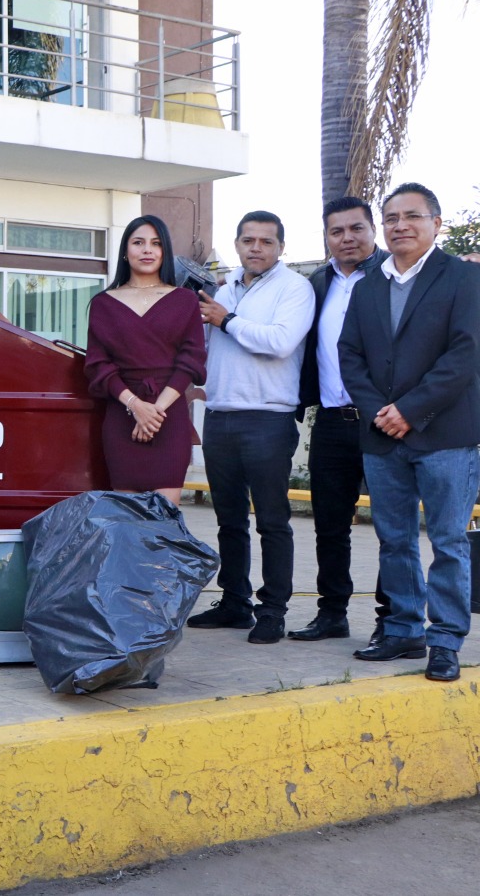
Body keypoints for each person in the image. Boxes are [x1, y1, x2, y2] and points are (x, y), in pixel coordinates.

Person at [339, 183, 480, 682]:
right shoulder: (369, 285)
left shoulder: (463, 278)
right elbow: (349, 355)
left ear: (436, 224)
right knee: (394, 539)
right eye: (392, 217)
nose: (401, 225)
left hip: (445, 435)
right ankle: (403, 630)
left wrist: (410, 410)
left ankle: (444, 640)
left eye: (412, 216)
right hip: (383, 435)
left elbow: (464, 355)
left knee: (447, 541)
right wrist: (382, 411)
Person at [189, 211, 315, 644]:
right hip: (220, 416)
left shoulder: (294, 288)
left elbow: (280, 342)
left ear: (281, 247)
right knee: (228, 520)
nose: (256, 248)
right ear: (238, 244)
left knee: (272, 521)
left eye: (266, 241)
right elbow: (204, 358)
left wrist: (225, 320)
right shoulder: (221, 291)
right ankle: (234, 603)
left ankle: (274, 611)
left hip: (268, 417)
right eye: (248, 240)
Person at [289, 197, 390, 644]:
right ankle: (332, 614)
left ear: (373, 230)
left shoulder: (395, 276)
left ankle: (393, 619)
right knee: (330, 525)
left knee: (393, 527)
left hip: (385, 421)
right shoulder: (316, 283)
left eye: (356, 228)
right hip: (330, 421)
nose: (347, 238)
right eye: (337, 231)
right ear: (326, 237)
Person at [83, 216, 206, 505]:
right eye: (138, 242)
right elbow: (98, 365)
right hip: (121, 416)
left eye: (156, 243)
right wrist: (135, 406)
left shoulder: (185, 300)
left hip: (169, 416)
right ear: (125, 251)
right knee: (127, 520)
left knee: (164, 520)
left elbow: (192, 360)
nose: (147, 250)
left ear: (164, 252)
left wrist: (154, 411)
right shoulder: (103, 302)